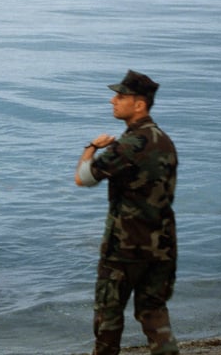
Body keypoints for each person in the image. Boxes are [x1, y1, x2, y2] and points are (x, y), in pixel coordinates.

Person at [74, 70, 179, 355]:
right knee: (154, 314)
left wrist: (91, 147)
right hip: (162, 246)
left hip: (124, 248)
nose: (113, 100)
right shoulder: (165, 142)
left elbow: (83, 178)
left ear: (139, 104)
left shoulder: (128, 145)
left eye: (121, 96)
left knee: (108, 318)